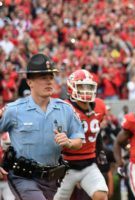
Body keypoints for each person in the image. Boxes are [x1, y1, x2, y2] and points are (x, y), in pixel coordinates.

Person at [0, 53, 85, 200]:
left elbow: (79, 140)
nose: (49, 82)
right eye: (43, 78)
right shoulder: (14, 110)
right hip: (23, 177)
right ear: (30, 82)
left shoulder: (65, 109)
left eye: (51, 77)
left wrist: (69, 142)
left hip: (53, 179)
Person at [54, 69, 108, 200]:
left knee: (101, 195)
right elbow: (54, 139)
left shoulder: (100, 106)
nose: (86, 91)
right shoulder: (65, 108)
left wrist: (100, 151)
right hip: (66, 166)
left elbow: (97, 132)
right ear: (72, 87)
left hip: (88, 164)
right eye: (82, 87)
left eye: (89, 87)